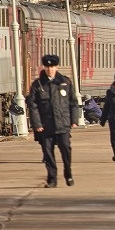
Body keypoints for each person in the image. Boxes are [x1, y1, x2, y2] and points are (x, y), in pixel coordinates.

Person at [27, 54, 79, 188]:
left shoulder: (65, 82)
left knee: (66, 150)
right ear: (44, 67)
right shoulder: (38, 85)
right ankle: (52, 178)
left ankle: (68, 174)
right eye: (47, 67)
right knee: (48, 153)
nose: (49, 69)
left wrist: (74, 119)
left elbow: (73, 102)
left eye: (52, 67)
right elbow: (33, 106)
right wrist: (37, 124)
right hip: (46, 125)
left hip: (63, 124)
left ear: (57, 67)